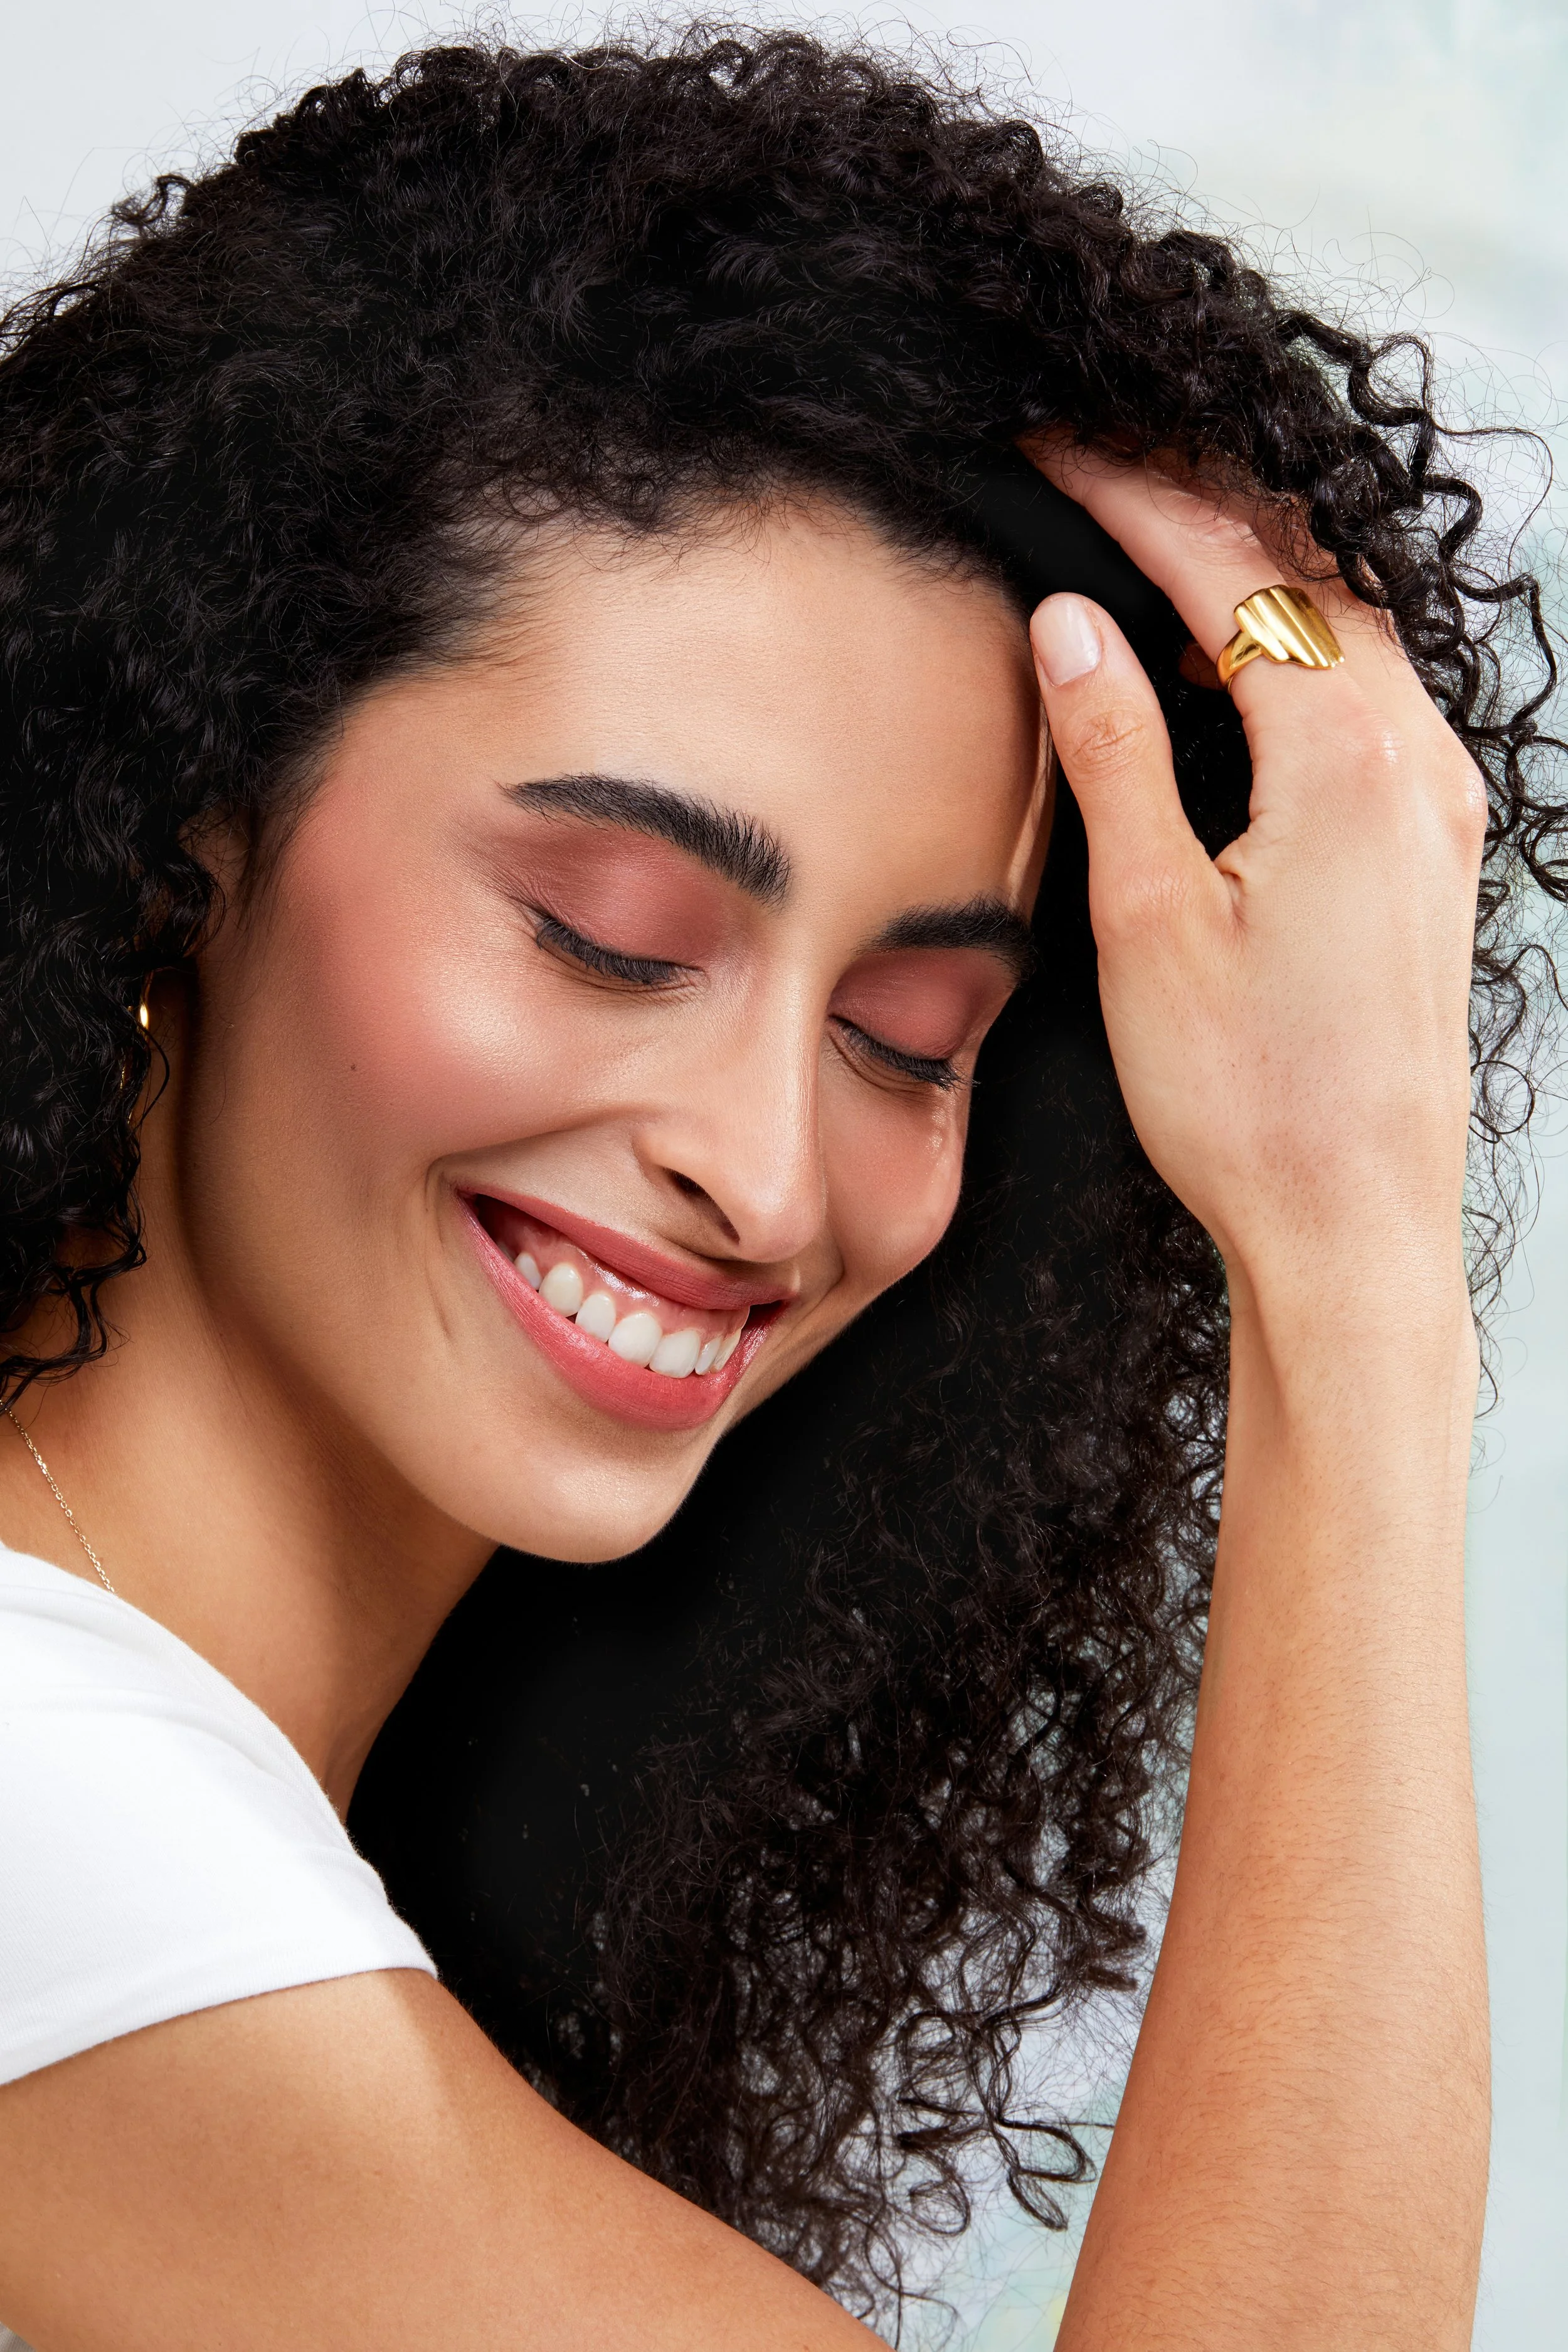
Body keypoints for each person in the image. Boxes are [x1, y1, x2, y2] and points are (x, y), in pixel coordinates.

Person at [0, 31, 1557, 2351]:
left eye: (905, 1038)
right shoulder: (51, 1816)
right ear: (178, 821)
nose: (755, 1171)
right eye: (609, 934)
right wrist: (1342, 1269)